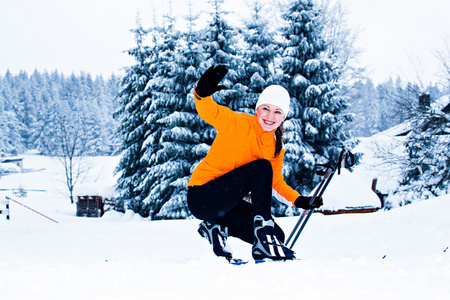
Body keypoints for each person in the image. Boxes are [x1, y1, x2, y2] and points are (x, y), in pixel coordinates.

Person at [187, 65, 323, 261]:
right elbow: (210, 111)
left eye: (277, 112)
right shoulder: (238, 123)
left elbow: (275, 183)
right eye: (266, 109)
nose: (270, 116)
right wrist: (201, 93)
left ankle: (215, 227)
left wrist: (298, 200)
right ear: (257, 109)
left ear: (284, 117)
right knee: (261, 166)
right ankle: (263, 237)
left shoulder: (275, 145)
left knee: (279, 236)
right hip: (203, 196)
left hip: (227, 205)